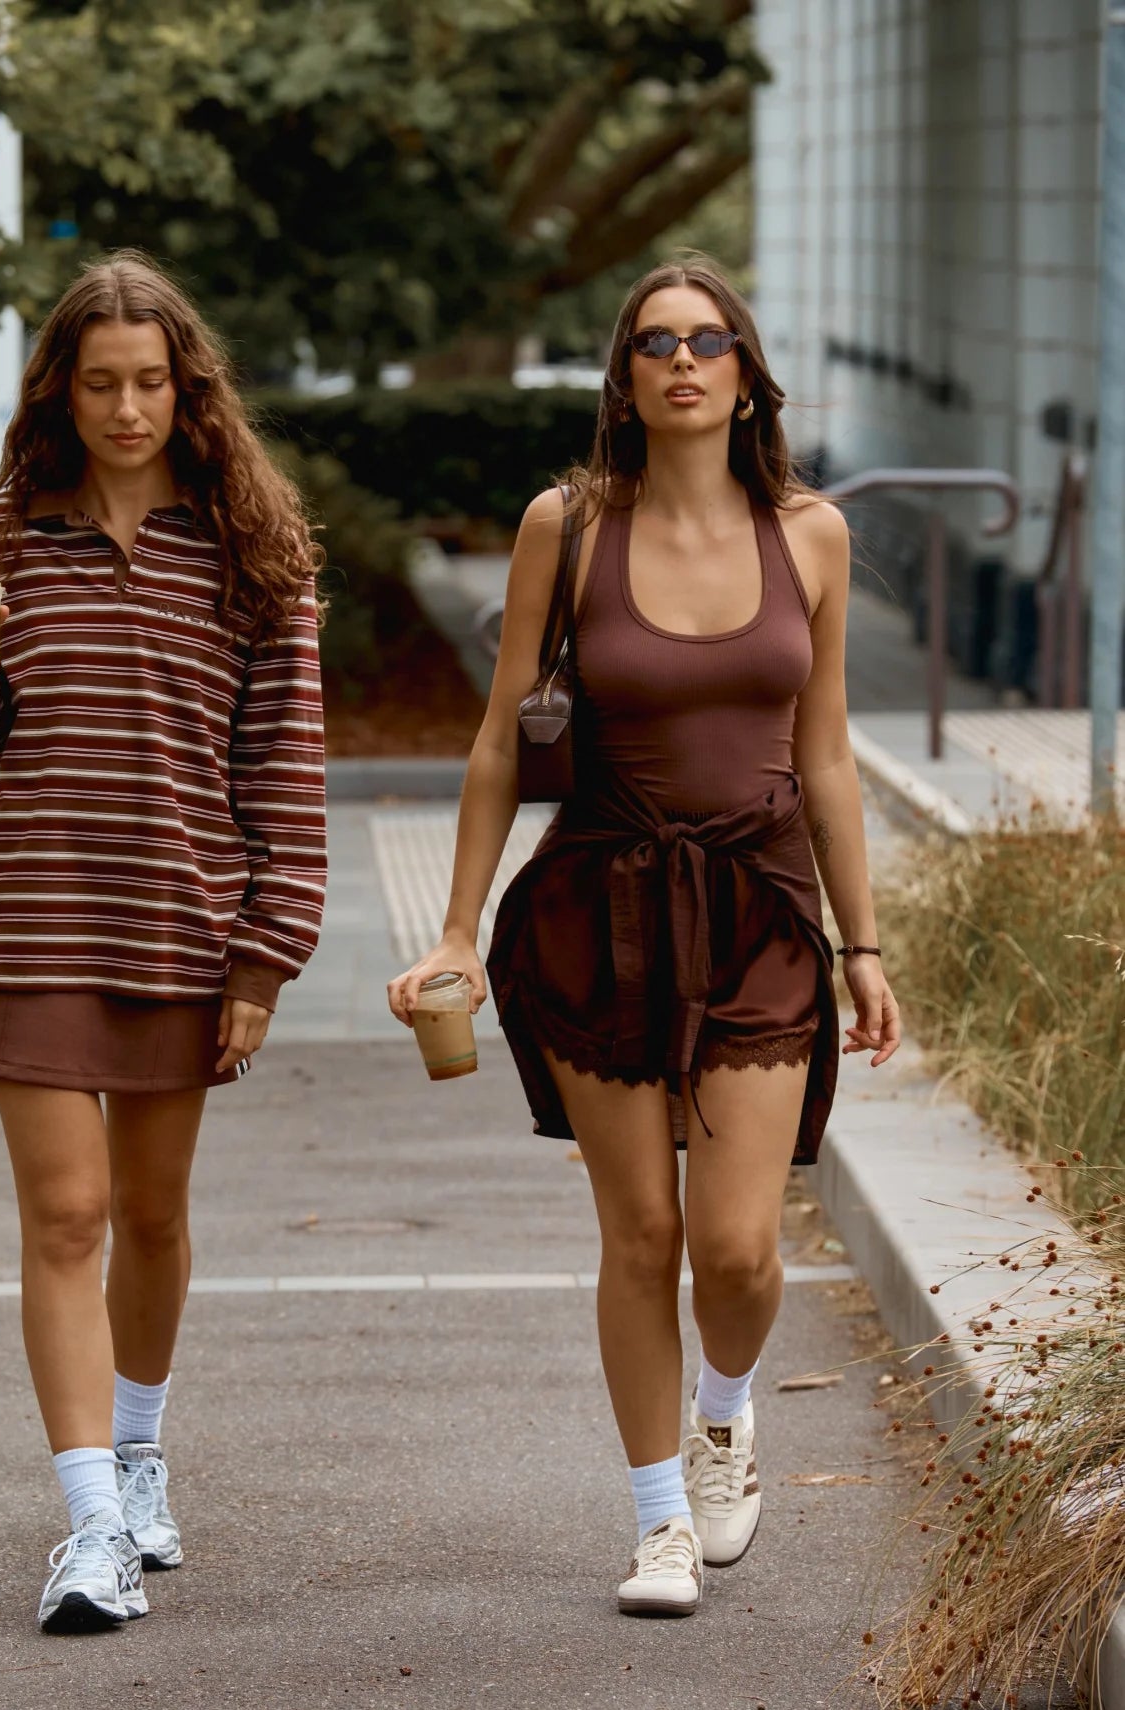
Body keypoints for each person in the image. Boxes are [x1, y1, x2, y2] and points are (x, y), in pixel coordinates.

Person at [387, 254, 899, 1618]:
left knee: (735, 1249)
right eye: (655, 342)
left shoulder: (812, 534)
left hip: (763, 913)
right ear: (623, 377)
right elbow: (502, 735)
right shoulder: (568, 524)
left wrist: (865, 944)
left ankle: (726, 1409)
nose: (682, 360)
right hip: (599, 910)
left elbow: (829, 756)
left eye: (709, 341)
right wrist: (451, 925)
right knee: (642, 1233)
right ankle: (659, 1517)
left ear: (745, 378)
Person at [0, 251, 326, 1633]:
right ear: (63, 390)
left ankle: (143, 1456)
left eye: (151, 381)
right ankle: (90, 1520)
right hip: (30, 916)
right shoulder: (1, 535)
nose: (128, 407)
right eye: (100, 383)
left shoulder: (253, 545)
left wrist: (267, 954)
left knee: (152, 1216)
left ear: (188, 388)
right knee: (69, 1215)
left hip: (180, 924)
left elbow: (285, 761)